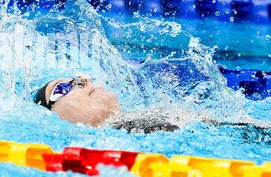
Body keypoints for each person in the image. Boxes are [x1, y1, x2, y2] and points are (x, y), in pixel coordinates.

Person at [33, 75, 271, 136]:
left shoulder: (135, 122)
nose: (83, 79)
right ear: (54, 117)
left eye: (75, 77)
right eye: (64, 88)